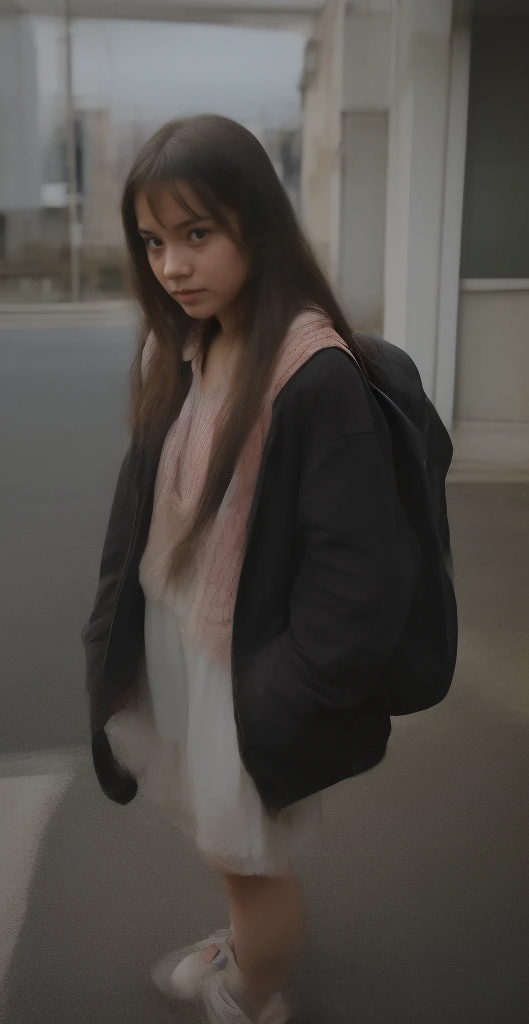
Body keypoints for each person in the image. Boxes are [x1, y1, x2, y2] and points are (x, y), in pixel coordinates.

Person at [82, 113, 416, 1024]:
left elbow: (358, 588)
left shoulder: (314, 376)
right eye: (154, 242)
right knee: (222, 841)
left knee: (252, 861)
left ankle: (253, 990)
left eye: (197, 234)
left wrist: (270, 704)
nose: (172, 266)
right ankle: (245, 941)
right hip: (178, 642)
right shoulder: (181, 345)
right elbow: (139, 519)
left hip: (250, 670)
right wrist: (113, 644)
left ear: (257, 225)